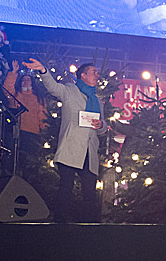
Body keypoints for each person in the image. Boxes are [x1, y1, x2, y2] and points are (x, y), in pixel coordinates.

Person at [23, 58, 109, 223]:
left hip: (89, 151)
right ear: (83, 75)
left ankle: (89, 226)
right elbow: (53, 87)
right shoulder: (70, 90)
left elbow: (103, 127)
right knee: (65, 188)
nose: (97, 75)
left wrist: (101, 125)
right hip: (71, 147)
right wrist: (43, 70)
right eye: (94, 72)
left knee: (90, 192)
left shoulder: (97, 101)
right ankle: (60, 224)